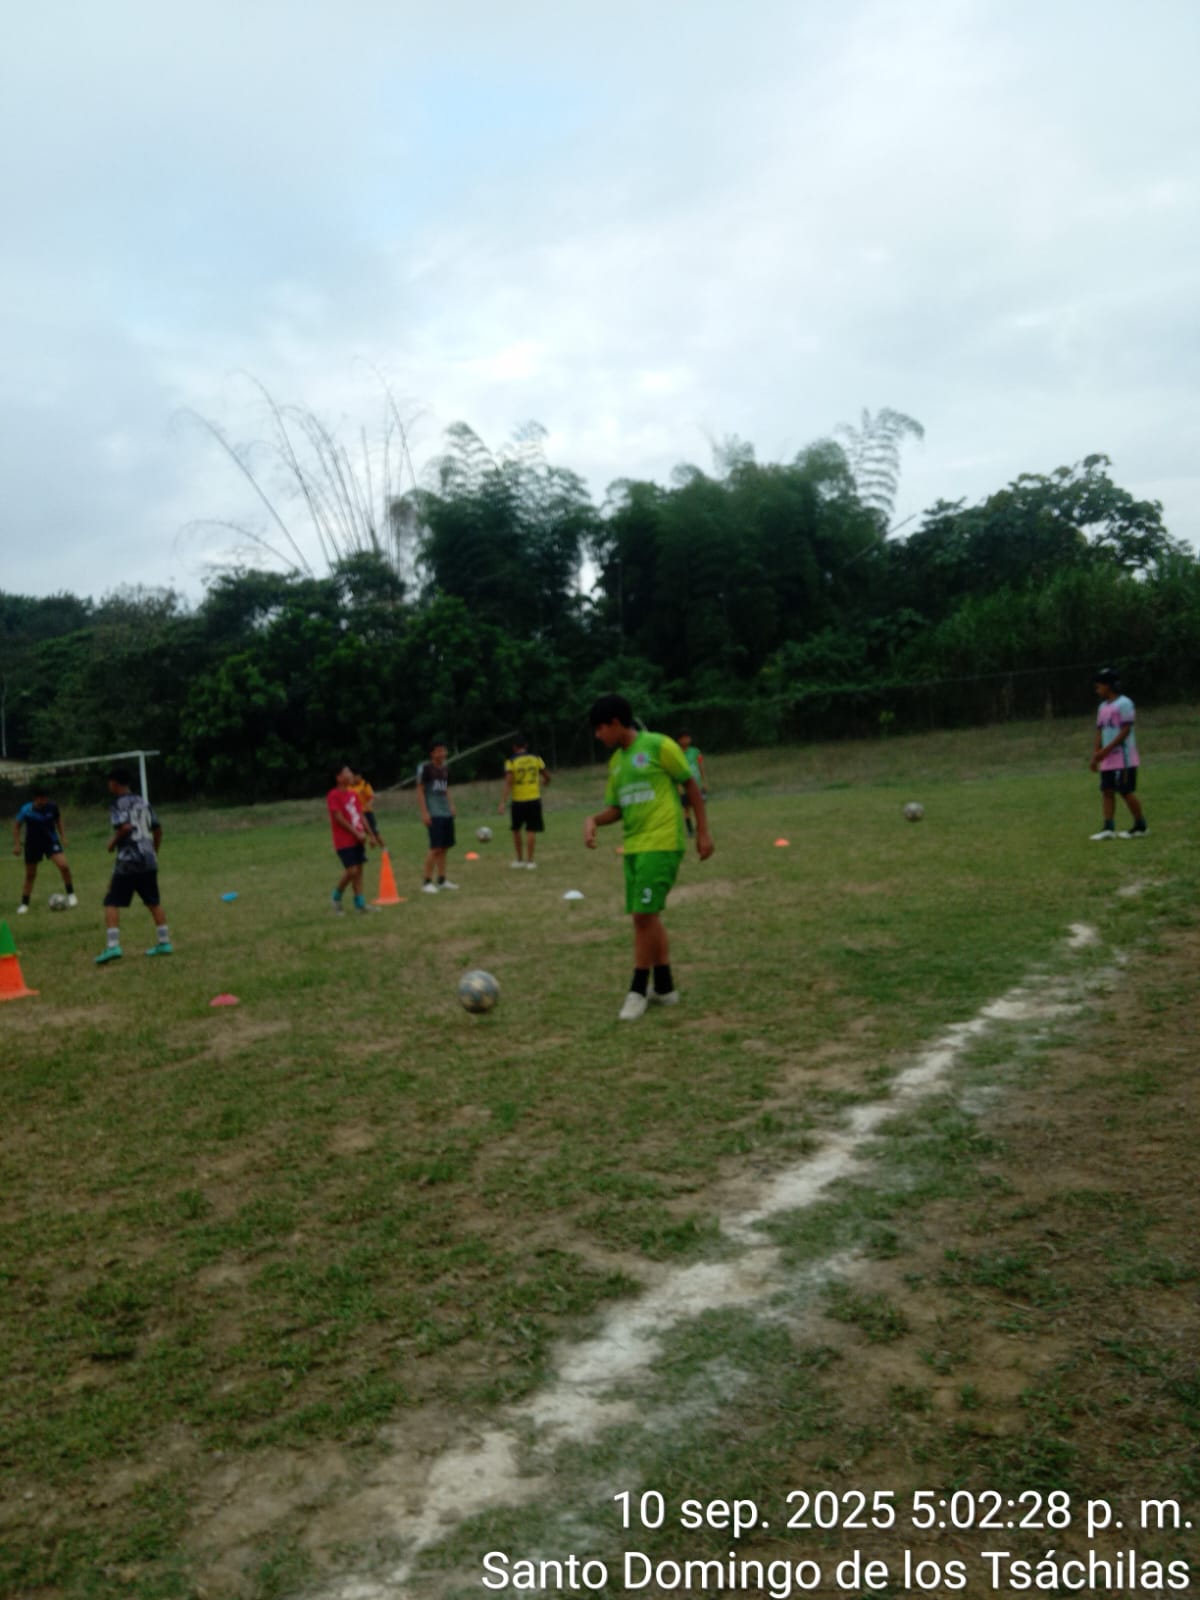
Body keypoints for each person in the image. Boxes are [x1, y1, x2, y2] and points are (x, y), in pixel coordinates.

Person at [584, 693, 714, 1020]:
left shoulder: (658, 745)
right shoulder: (616, 763)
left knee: (643, 916)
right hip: (634, 847)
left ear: (615, 723)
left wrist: (702, 831)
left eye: (600, 729)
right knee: (647, 916)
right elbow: (617, 809)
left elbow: (691, 786)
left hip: (662, 842)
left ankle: (638, 990)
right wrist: (594, 820)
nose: (597, 736)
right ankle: (665, 988)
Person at [95, 770, 171, 964]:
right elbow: (158, 829)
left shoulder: (117, 803)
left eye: (109, 783)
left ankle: (113, 946)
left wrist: (112, 843)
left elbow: (125, 828)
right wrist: (153, 851)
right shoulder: (143, 801)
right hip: (148, 859)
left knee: (111, 900)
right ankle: (164, 942)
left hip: (129, 860)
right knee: (153, 901)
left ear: (114, 783)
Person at [1089, 668, 1147, 841]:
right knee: (1107, 790)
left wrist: (1106, 750)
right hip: (1107, 759)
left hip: (1124, 758)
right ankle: (1108, 828)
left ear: (1108, 685)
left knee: (1125, 791)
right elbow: (1099, 731)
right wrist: (1096, 754)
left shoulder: (1125, 703)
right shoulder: (1102, 707)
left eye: (1099, 686)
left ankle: (1140, 826)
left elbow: (1126, 730)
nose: (1097, 690)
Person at [13, 786, 77, 914]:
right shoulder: (26, 809)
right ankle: (24, 904)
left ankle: (71, 895)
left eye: (46, 798)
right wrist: (17, 844)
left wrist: (63, 836)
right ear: (35, 798)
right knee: (30, 875)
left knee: (64, 866)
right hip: (32, 844)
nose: (44, 800)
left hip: (50, 842)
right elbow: (17, 826)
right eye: (42, 798)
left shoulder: (52, 807)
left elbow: (58, 820)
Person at [328, 765, 382, 913]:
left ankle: (360, 904)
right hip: (344, 841)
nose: (351, 775)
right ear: (339, 778)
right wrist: (356, 833)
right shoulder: (334, 795)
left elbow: (361, 816)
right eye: (347, 772)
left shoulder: (353, 795)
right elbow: (338, 818)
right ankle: (336, 896)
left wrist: (371, 835)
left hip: (358, 839)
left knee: (359, 872)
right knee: (351, 871)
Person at [498, 733, 552, 868]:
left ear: (514, 747)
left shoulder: (511, 762)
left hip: (518, 800)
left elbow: (508, 783)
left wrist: (503, 802)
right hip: (534, 798)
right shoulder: (536, 758)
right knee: (531, 830)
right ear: (526, 746)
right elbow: (547, 776)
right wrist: (545, 782)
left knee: (516, 830)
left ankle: (519, 860)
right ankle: (530, 861)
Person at [417, 740, 458, 894]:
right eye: (439, 751)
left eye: (444, 750)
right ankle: (426, 881)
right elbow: (420, 791)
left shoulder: (445, 769)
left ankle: (442, 879)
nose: (443, 753)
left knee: (444, 847)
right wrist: (424, 812)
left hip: (445, 812)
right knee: (435, 848)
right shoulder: (426, 769)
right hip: (434, 813)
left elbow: (445, 789)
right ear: (432, 753)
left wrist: (451, 805)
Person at [676, 731, 707, 839]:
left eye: (688, 737)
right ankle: (690, 830)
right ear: (679, 740)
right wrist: (678, 786)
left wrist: (704, 782)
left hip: (697, 785)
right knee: (686, 809)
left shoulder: (695, 751)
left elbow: (701, 767)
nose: (687, 740)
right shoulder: (676, 752)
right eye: (684, 737)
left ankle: (701, 828)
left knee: (699, 807)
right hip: (683, 786)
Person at [352, 771, 383, 848]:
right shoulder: (349, 786)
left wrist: (368, 805)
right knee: (358, 833)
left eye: (356, 776)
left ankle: (384, 849)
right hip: (355, 814)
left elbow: (371, 797)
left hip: (367, 813)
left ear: (359, 776)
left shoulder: (365, 784)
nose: (355, 779)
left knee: (375, 832)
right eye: (353, 777)